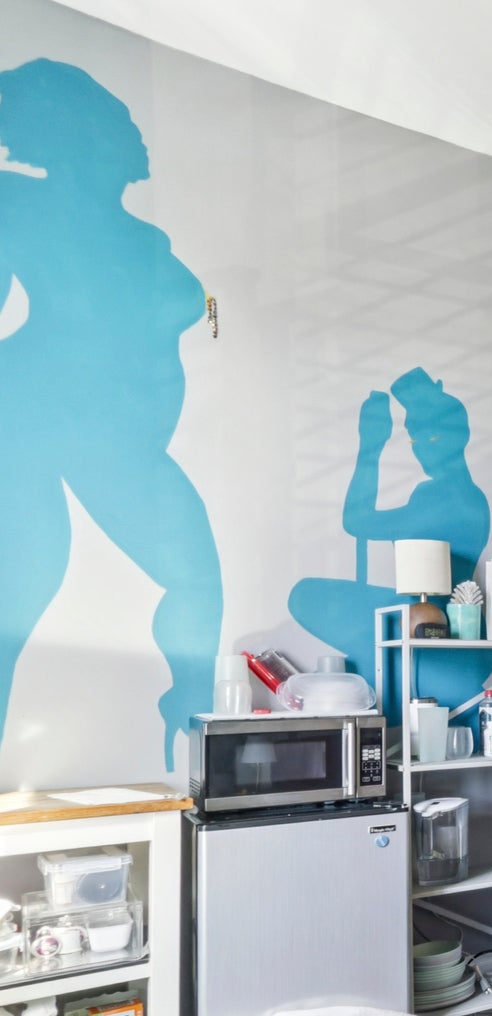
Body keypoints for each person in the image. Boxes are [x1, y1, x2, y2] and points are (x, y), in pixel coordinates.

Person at [0, 59, 223, 768]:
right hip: (43, 414)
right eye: (109, 122)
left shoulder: (144, 239)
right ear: (66, 136)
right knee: (24, 583)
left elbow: (205, 307)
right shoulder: (18, 204)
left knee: (196, 575)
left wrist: (216, 311)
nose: (130, 135)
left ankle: (189, 712)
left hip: (119, 441)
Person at [287, 369, 492, 706]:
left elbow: (357, 522)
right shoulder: (457, 494)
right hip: (417, 617)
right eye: (414, 440)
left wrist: (370, 447)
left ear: (459, 436)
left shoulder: (452, 496)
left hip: (434, 622)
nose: (422, 451)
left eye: (432, 439)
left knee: (306, 595)